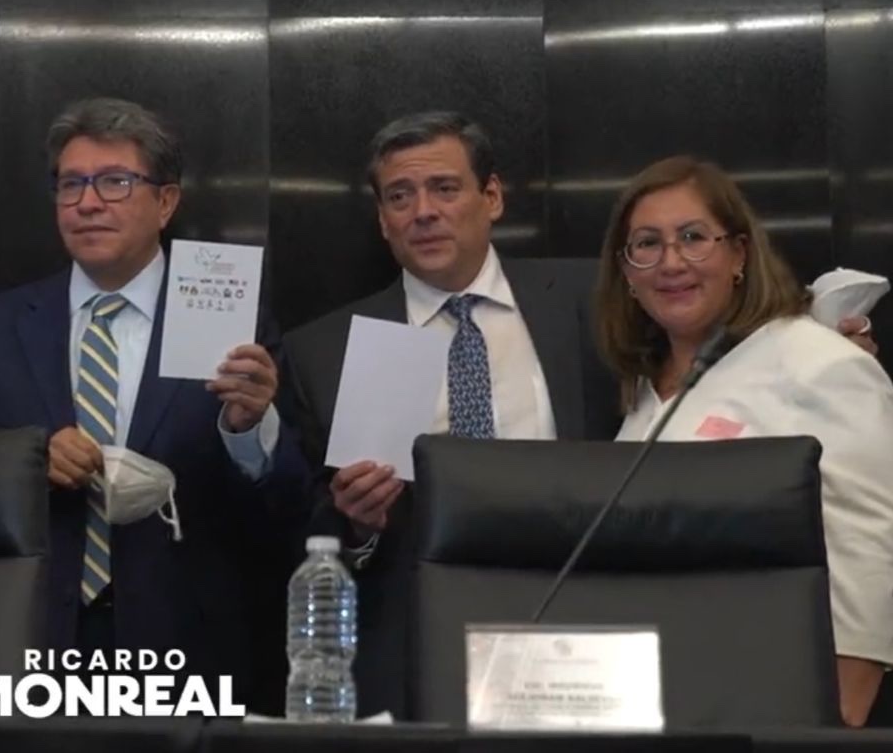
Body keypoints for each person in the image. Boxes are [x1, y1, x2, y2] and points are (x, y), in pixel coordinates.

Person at [281, 111, 879, 718]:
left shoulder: (598, 302)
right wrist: (358, 526)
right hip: (423, 656)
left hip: (604, 648)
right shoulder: (326, 351)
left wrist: (822, 337)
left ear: (492, 197)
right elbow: (299, 527)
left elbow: (732, 336)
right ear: (383, 219)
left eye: (445, 187)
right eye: (400, 196)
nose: (424, 212)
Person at [0, 98, 307, 689]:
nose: (88, 203)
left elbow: (285, 511)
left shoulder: (230, 322)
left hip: (185, 647)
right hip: (28, 641)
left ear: (166, 202)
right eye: (71, 184)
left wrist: (247, 431)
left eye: (115, 182)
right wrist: (27, 463)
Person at [598, 155, 893, 727]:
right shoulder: (642, 395)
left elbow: (867, 547)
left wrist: (839, 709)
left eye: (693, 237)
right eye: (647, 244)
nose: (671, 262)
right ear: (627, 273)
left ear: (738, 254)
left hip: (776, 703)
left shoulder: (816, 360)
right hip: (658, 699)